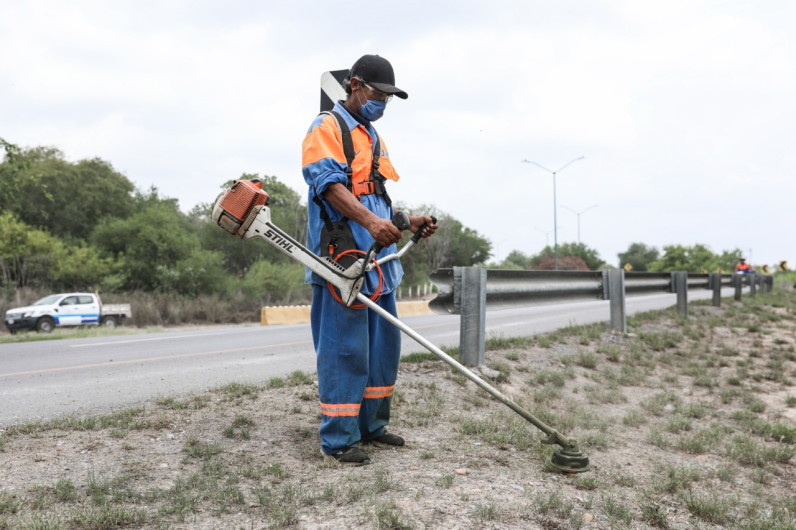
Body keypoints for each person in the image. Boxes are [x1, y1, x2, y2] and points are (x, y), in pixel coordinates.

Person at [301, 54, 437, 466]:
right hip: (344, 260)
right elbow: (330, 189)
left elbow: (374, 195)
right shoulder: (327, 128)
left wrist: (407, 222)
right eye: (378, 94)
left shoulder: (372, 136)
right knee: (345, 349)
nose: (382, 102)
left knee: (382, 348)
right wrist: (371, 224)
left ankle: (370, 427)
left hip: (380, 263)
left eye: (388, 98)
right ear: (355, 85)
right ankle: (339, 440)